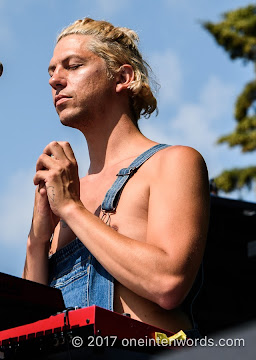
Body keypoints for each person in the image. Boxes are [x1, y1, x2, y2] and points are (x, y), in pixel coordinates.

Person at [22, 18, 209, 334]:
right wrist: (37, 242)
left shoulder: (172, 162)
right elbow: (28, 324)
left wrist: (72, 209)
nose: (55, 80)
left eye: (73, 65)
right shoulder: (68, 190)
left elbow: (168, 282)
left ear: (122, 77)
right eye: (52, 71)